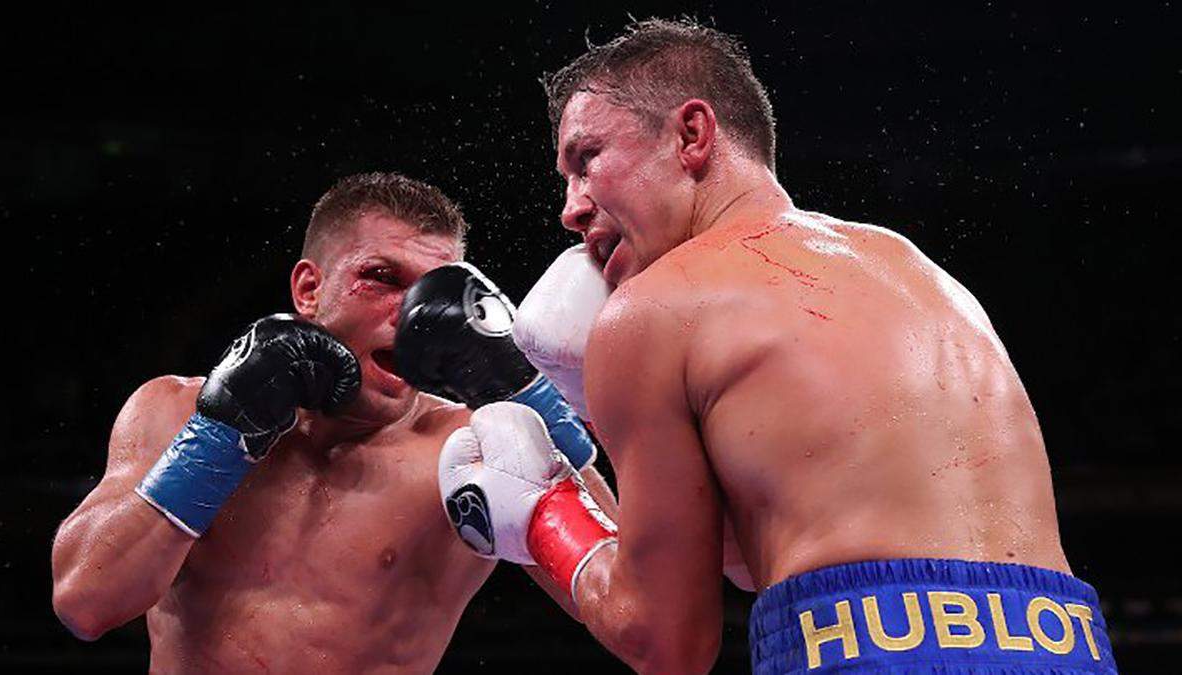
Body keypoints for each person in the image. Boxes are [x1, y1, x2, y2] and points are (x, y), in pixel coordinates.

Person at [435, 19, 1117, 674]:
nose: (571, 207)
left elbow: (667, 642)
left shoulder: (655, 307)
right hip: (1068, 646)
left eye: (586, 161)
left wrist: (546, 515)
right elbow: (749, 558)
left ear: (692, 134)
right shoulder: (915, 269)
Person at [50, 172, 609, 673]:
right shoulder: (174, 411)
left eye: (433, 292)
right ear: (309, 290)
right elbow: (85, 602)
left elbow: (623, 592)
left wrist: (527, 395)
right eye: (381, 277)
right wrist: (219, 437)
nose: (411, 315)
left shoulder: (468, 445)